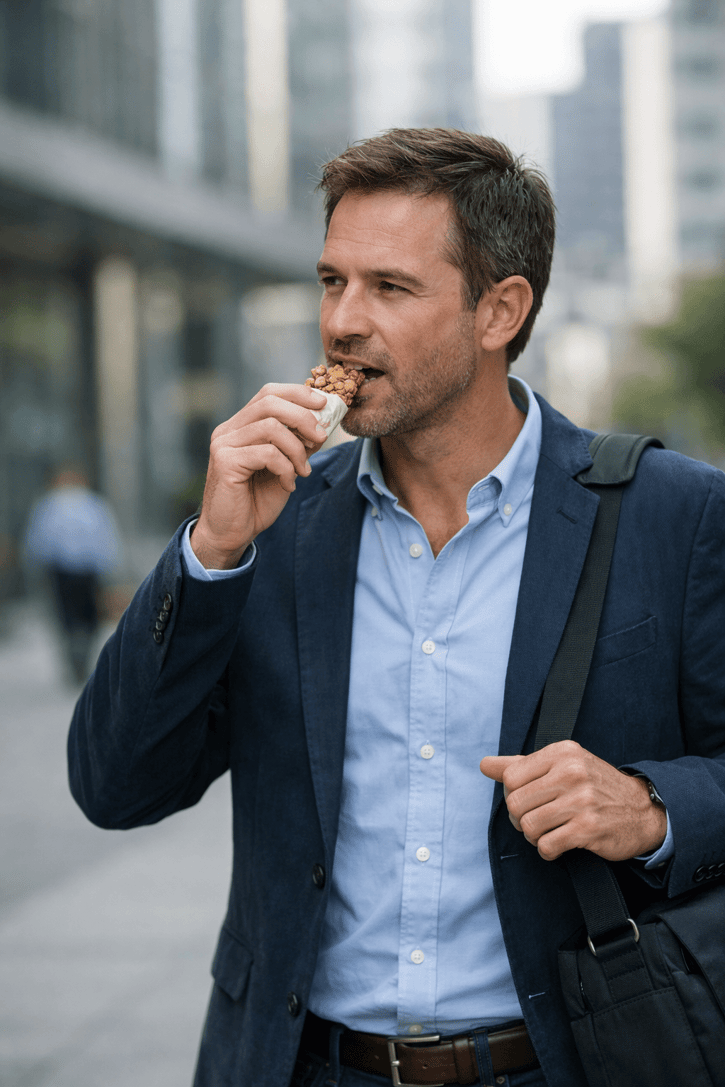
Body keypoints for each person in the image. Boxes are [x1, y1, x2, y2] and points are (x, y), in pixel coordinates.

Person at [68, 130, 725, 1087]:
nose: (341, 320)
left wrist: (651, 807)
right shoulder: (272, 527)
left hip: (566, 1062)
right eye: (331, 281)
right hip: (306, 1065)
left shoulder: (676, 513)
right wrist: (211, 554)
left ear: (499, 309)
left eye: (389, 287)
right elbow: (113, 784)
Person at [24, 466, 123, 683]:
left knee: (70, 615)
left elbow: (38, 540)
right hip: (81, 571)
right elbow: (106, 538)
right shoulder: (91, 504)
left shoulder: (51, 505)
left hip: (69, 571)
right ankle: (79, 654)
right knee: (83, 615)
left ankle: (76, 655)